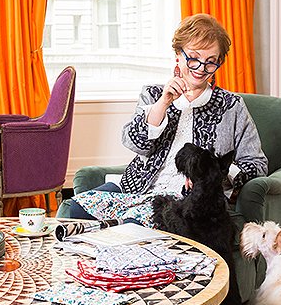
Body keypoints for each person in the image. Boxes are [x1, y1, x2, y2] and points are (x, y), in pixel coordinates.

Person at [70, 13, 268, 225]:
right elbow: (135, 143)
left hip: (188, 200)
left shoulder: (231, 106)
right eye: (194, 58)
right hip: (138, 188)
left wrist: (212, 174)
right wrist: (162, 104)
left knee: (134, 226)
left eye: (211, 62)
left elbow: (257, 164)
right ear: (178, 54)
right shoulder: (153, 95)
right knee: (76, 209)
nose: (201, 68)